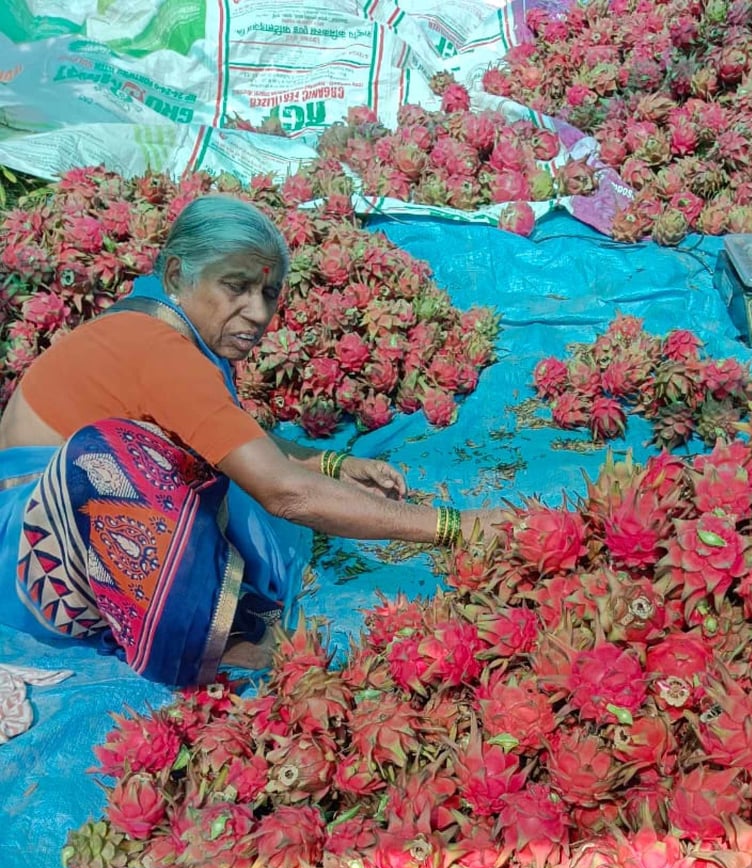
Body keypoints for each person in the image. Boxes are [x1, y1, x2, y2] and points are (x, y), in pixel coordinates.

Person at [0, 194, 503, 686]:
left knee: (188, 454)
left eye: (268, 294)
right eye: (235, 287)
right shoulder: (157, 349)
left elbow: (223, 427)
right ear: (177, 275)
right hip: (31, 558)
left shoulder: (166, 322)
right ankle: (200, 641)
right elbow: (283, 491)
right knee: (122, 456)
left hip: (47, 531)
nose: (258, 314)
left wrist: (330, 463)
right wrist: (455, 526)